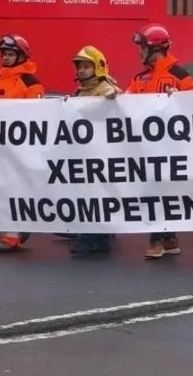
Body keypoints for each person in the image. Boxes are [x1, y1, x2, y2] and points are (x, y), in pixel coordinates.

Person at [126, 23, 193, 258]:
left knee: (163, 191)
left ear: (155, 49)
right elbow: (124, 104)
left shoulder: (180, 76)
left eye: (142, 48)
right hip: (145, 148)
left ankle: (158, 238)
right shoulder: (139, 78)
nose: (139, 53)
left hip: (172, 147)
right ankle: (168, 238)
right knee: (152, 190)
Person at [0, 35, 45, 253]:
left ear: (21, 56)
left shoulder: (32, 84)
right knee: (3, 191)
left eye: (10, 54)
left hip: (21, 149)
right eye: (4, 54)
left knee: (16, 190)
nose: (6, 58)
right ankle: (16, 231)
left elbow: (36, 117)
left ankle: (12, 236)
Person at [68, 46, 121, 256]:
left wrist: (113, 94)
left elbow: (118, 99)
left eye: (86, 66)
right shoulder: (82, 90)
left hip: (100, 152)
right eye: (79, 66)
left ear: (98, 67)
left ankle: (91, 236)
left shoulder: (104, 87)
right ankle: (99, 238)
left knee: (95, 193)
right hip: (86, 151)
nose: (81, 70)